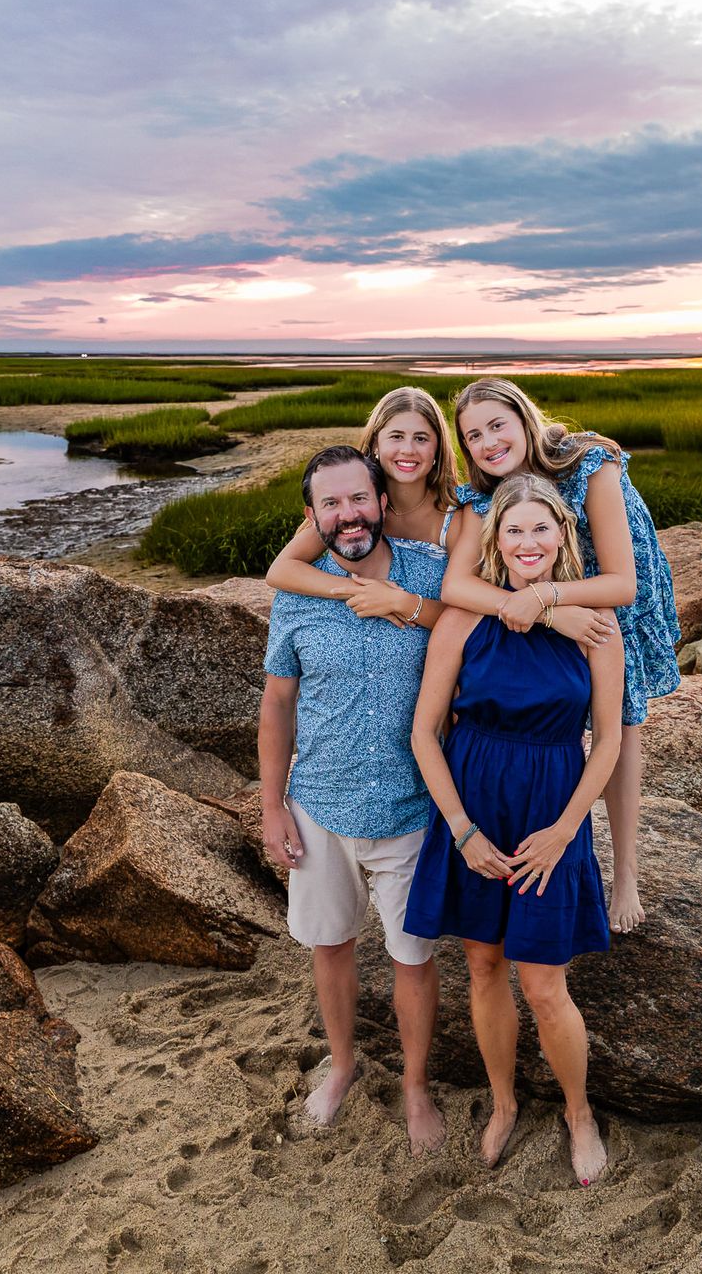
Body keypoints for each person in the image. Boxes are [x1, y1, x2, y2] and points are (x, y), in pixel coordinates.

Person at [403, 474, 629, 1186]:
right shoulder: (465, 621)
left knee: (544, 984)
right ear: (495, 543)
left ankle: (577, 1111)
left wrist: (567, 831)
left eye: (541, 529)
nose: (528, 542)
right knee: (482, 965)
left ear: (563, 534)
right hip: (475, 810)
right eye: (514, 531)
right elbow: (423, 734)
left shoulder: (595, 622)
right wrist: (462, 829)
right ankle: (503, 1103)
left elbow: (611, 745)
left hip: (548, 813)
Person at [258, 445, 447, 1154]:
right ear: (312, 516)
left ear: (381, 500)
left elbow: (477, 639)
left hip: (413, 807)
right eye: (330, 505)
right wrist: (272, 806)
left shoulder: (429, 575)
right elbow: (278, 703)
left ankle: (417, 1086)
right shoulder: (295, 594)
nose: (348, 516)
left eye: (358, 500)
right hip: (319, 804)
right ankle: (342, 1066)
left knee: (412, 955)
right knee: (330, 946)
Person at [440, 378, 678, 930]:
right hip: (547, 597)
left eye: (498, 424)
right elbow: (456, 586)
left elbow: (622, 582)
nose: (489, 441)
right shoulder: (484, 495)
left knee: (618, 722)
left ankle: (627, 877)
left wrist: (549, 597)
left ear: (525, 420)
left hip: (604, 600)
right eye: (473, 435)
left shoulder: (590, 464)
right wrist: (544, 611)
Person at [265, 386, 458, 627]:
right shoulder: (359, 509)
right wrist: (359, 590)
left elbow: (465, 615)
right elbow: (280, 571)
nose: (408, 449)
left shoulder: (454, 516)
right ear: (376, 444)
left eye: (421, 438)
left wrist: (400, 602)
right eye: (396, 436)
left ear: (437, 448)